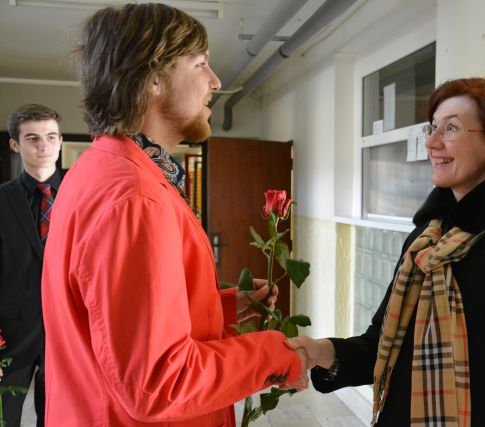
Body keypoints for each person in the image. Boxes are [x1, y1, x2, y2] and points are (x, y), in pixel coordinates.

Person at [41, 4, 307, 426]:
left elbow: (111, 321)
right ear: (152, 81)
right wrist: (280, 354)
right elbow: (158, 382)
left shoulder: (99, 169)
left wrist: (217, 309)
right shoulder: (134, 197)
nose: (215, 82)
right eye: (200, 64)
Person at [287, 76, 485, 426]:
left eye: (451, 128)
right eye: (432, 128)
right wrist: (320, 351)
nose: (432, 143)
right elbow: (381, 346)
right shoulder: (426, 239)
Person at [0, 103, 64, 427]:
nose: (44, 145)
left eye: (51, 137)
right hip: (11, 332)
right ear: (15, 144)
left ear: (61, 140)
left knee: (56, 419)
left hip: (66, 331)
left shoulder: (82, 196)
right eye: (33, 138)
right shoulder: (1, 199)